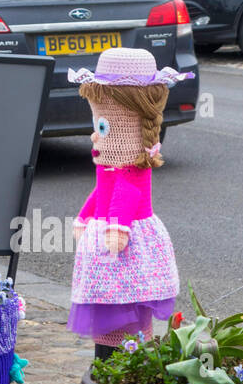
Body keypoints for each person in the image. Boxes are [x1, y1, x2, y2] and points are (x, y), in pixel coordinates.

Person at [65, 48, 192, 360]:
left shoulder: (132, 165)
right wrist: (85, 217)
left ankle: (120, 367)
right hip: (106, 240)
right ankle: (110, 367)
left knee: (126, 311)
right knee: (110, 316)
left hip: (124, 244)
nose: (96, 137)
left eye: (103, 129)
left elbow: (128, 194)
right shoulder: (108, 163)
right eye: (97, 128)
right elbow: (102, 191)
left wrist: (118, 227)